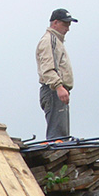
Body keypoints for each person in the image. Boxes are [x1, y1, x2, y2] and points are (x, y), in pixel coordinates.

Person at [36, 8, 77, 140]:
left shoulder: (56, 41)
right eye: (65, 24)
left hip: (56, 90)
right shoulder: (49, 40)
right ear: (55, 23)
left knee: (61, 136)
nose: (68, 29)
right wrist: (59, 87)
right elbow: (47, 68)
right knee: (58, 138)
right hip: (53, 90)